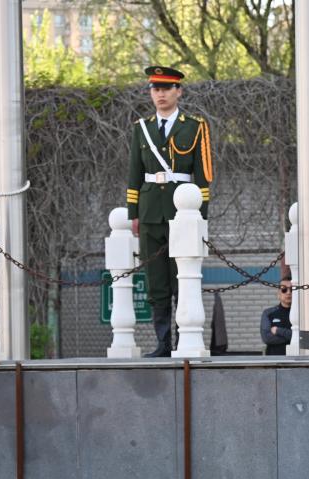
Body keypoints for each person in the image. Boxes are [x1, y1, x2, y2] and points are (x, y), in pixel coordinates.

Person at [126, 66, 214, 357]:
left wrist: (201, 215)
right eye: (155, 89)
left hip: (183, 213)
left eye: (166, 88)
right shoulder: (141, 128)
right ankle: (162, 343)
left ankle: (182, 339)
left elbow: (203, 176)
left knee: (182, 278)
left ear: (179, 91)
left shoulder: (194, 126)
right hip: (151, 210)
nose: (160, 94)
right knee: (156, 280)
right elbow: (134, 174)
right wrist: (133, 213)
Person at [260, 273, 293, 356]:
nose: (288, 293)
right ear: (278, 293)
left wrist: (278, 330)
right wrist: (291, 336)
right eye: (284, 289)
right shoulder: (268, 313)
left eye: (292, 289)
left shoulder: (301, 315)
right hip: (274, 360)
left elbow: (302, 337)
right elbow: (267, 338)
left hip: (296, 360)